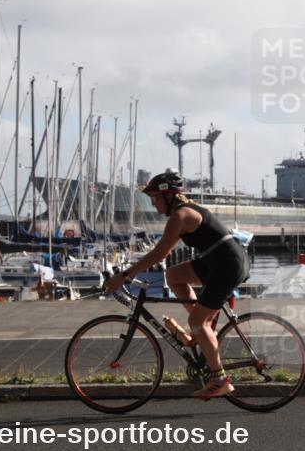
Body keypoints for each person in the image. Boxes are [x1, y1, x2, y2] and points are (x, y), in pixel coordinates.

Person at [103, 170, 250, 399]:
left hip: (228, 266)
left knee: (196, 321)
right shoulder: (184, 211)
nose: (153, 204)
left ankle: (219, 379)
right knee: (173, 276)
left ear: (169, 196)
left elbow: (159, 253)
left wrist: (124, 275)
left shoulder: (180, 216)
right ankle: (202, 329)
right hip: (215, 262)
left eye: (155, 199)